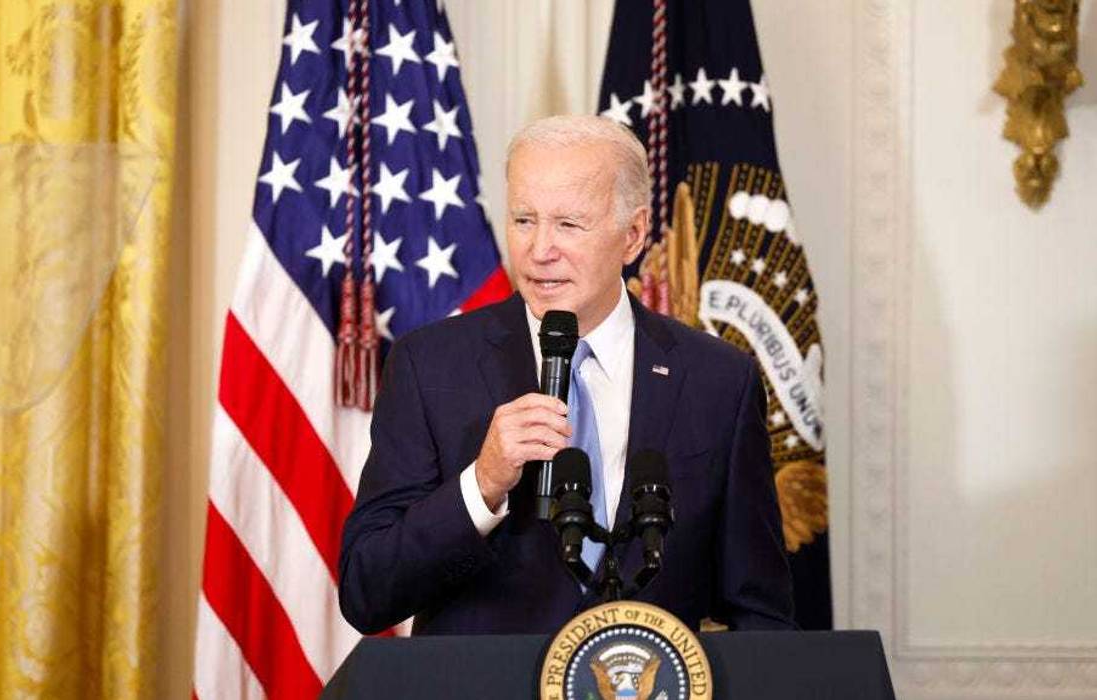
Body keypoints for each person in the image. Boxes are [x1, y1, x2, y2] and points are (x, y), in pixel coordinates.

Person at [338, 115, 795, 635]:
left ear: (634, 235)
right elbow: (365, 591)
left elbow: (761, 615)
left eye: (568, 224)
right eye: (524, 220)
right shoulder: (430, 365)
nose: (539, 250)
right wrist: (482, 485)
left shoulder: (719, 381)